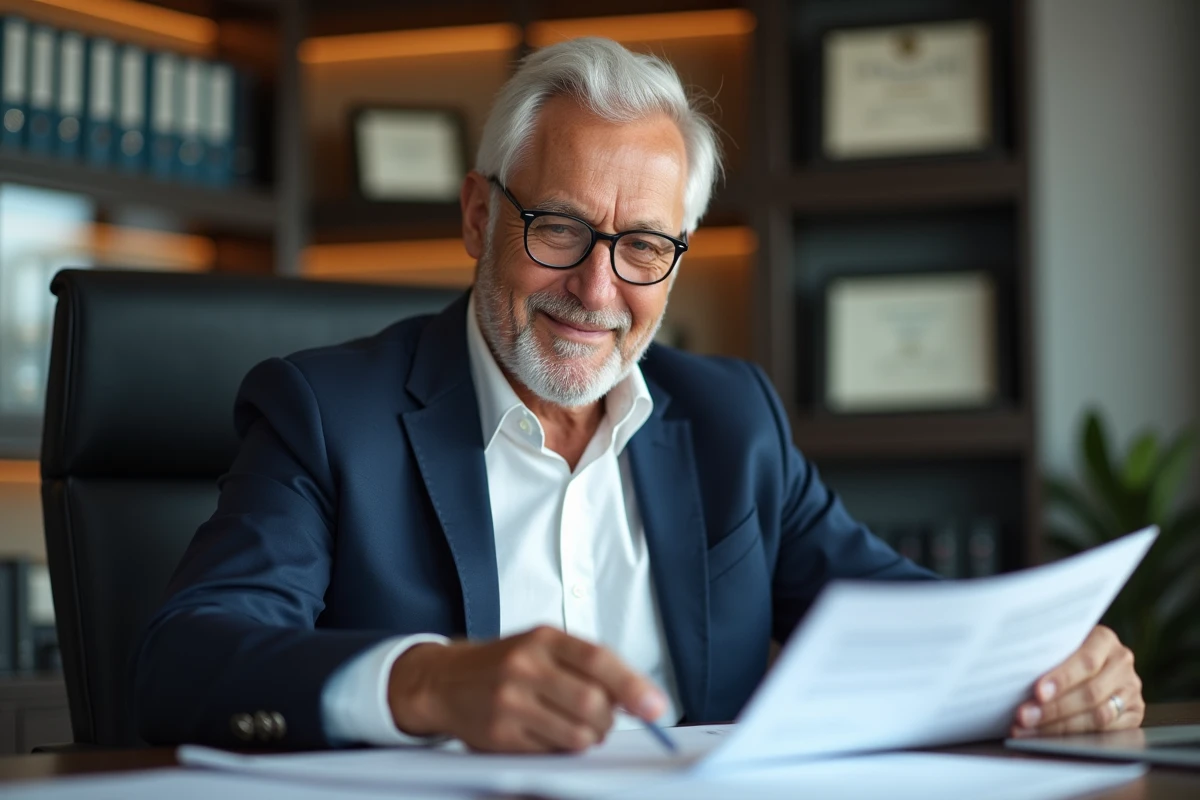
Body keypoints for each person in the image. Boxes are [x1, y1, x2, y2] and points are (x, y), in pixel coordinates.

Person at [133, 37, 1143, 753]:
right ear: (481, 213)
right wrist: (430, 681)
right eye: (560, 228)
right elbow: (187, 659)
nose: (598, 289)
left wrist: (1051, 663)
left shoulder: (734, 419)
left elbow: (903, 616)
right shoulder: (325, 413)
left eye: (645, 246)